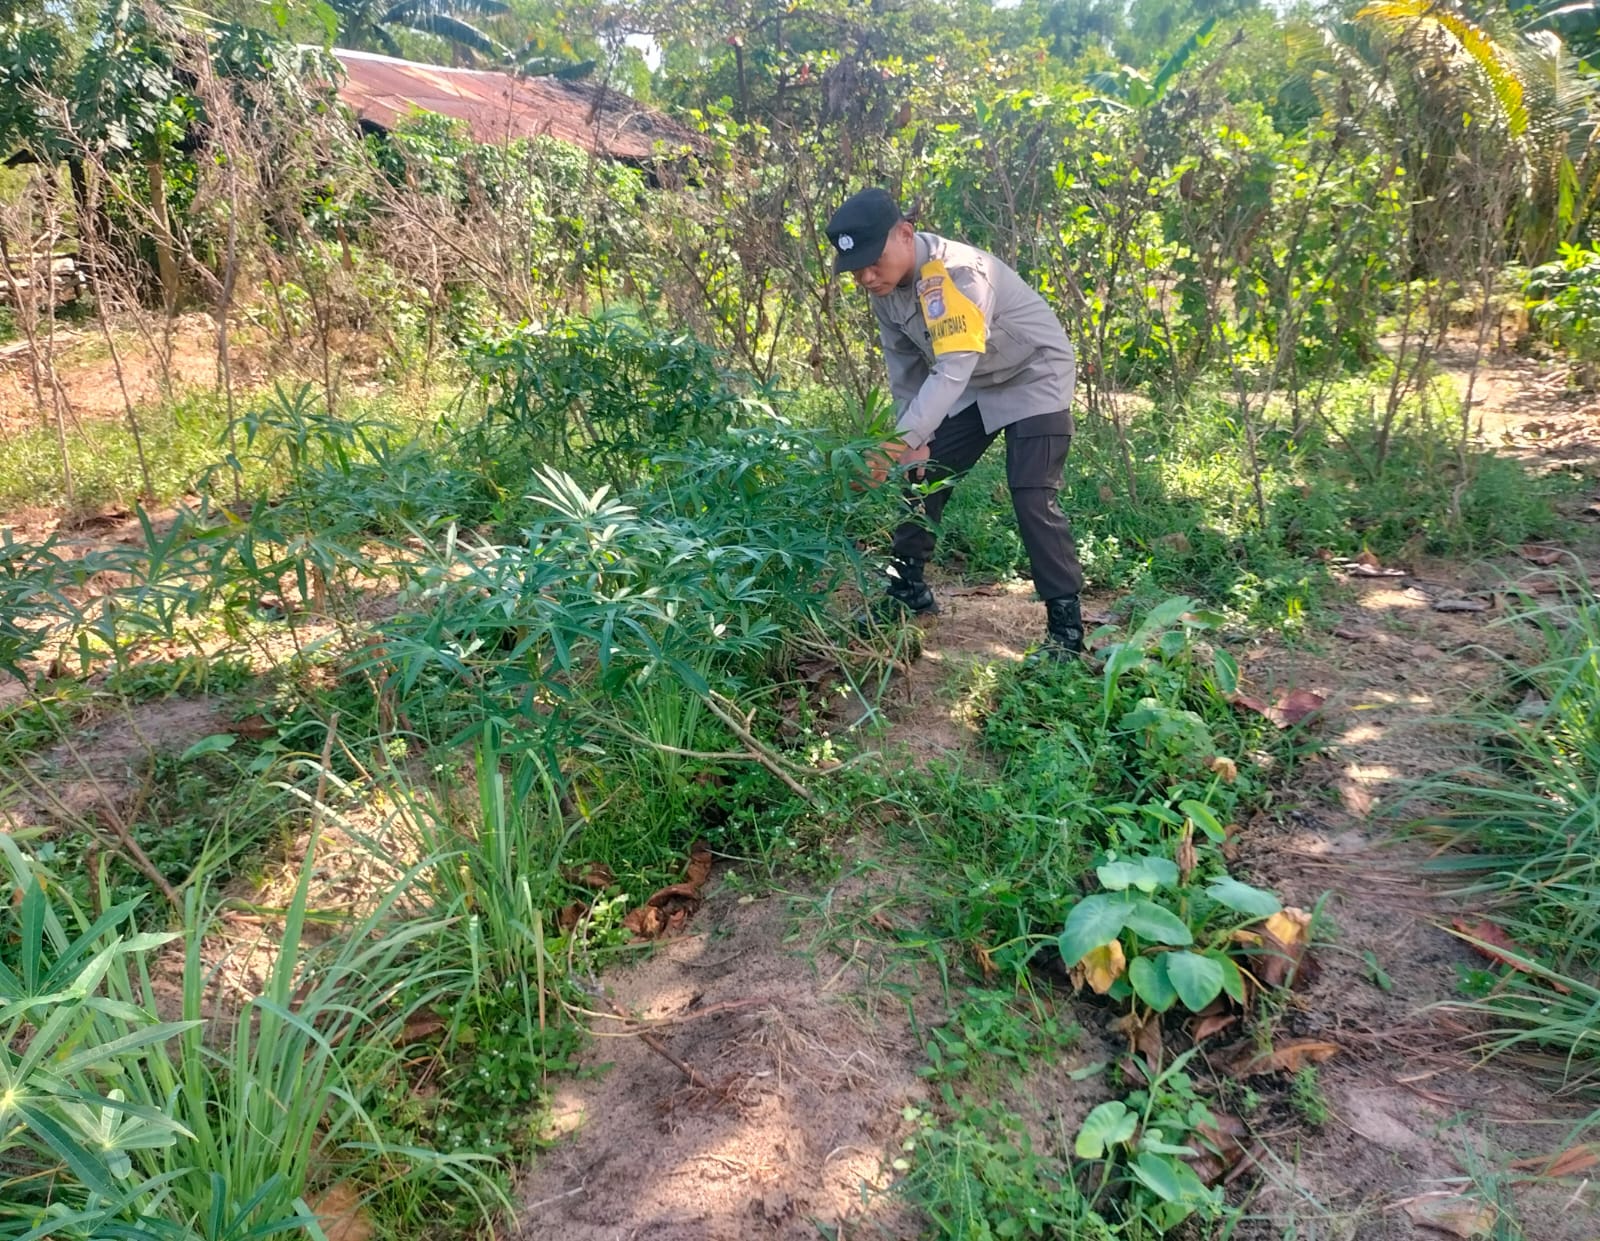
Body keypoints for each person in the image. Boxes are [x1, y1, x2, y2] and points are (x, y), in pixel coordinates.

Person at [826, 187, 1085, 658]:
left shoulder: (961, 274)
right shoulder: (884, 290)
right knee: (919, 476)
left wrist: (890, 447)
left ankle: (1066, 630)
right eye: (854, 268)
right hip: (971, 381)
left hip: (1033, 373)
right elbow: (905, 373)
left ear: (905, 234)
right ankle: (908, 592)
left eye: (873, 260)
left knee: (1031, 492)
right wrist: (909, 440)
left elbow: (950, 370)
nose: (865, 276)